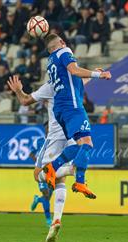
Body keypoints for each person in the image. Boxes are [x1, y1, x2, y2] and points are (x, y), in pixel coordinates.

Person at [7, 75, 76, 242]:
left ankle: (68, 170)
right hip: (73, 135)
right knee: (60, 181)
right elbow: (84, 79)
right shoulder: (75, 83)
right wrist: (95, 74)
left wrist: (18, 90)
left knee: (37, 175)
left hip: (55, 137)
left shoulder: (50, 86)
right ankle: (56, 220)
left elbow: (24, 101)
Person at [42, 33, 111, 201]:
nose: (64, 42)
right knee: (87, 144)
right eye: (61, 40)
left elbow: (72, 80)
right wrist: (98, 75)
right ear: (59, 44)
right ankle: (78, 180)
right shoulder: (64, 51)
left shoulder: (51, 61)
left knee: (80, 145)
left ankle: (54, 169)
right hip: (72, 107)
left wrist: (92, 73)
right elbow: (74, 70)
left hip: (60, 109)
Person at [29, 122, 53, 227]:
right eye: (47, 127)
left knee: (47, 197)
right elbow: (31, 153)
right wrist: (38, 163)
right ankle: (48, 220)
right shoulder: (38, 141)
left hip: (52, 172)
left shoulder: (58, 141)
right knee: (46, 194)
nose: (49, 129)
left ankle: (38, 199)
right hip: (41, 172)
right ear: (45, 129)